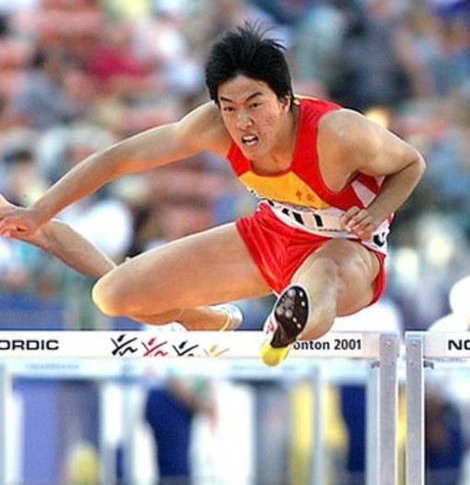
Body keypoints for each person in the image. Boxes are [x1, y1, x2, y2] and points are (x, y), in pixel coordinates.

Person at [0, 22, 426, 367]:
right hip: (272, 234)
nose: (243, 123)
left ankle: (288, 323)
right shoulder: (212, 125)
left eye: (255, 105)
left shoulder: (339, 133)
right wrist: (39, 211)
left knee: (321, 281)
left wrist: (377, 211)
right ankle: (206, 320)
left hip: (347, 249)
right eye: (230, 107)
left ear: (284, 98)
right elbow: (118, 159)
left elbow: (412, 163)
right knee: (115, 296)